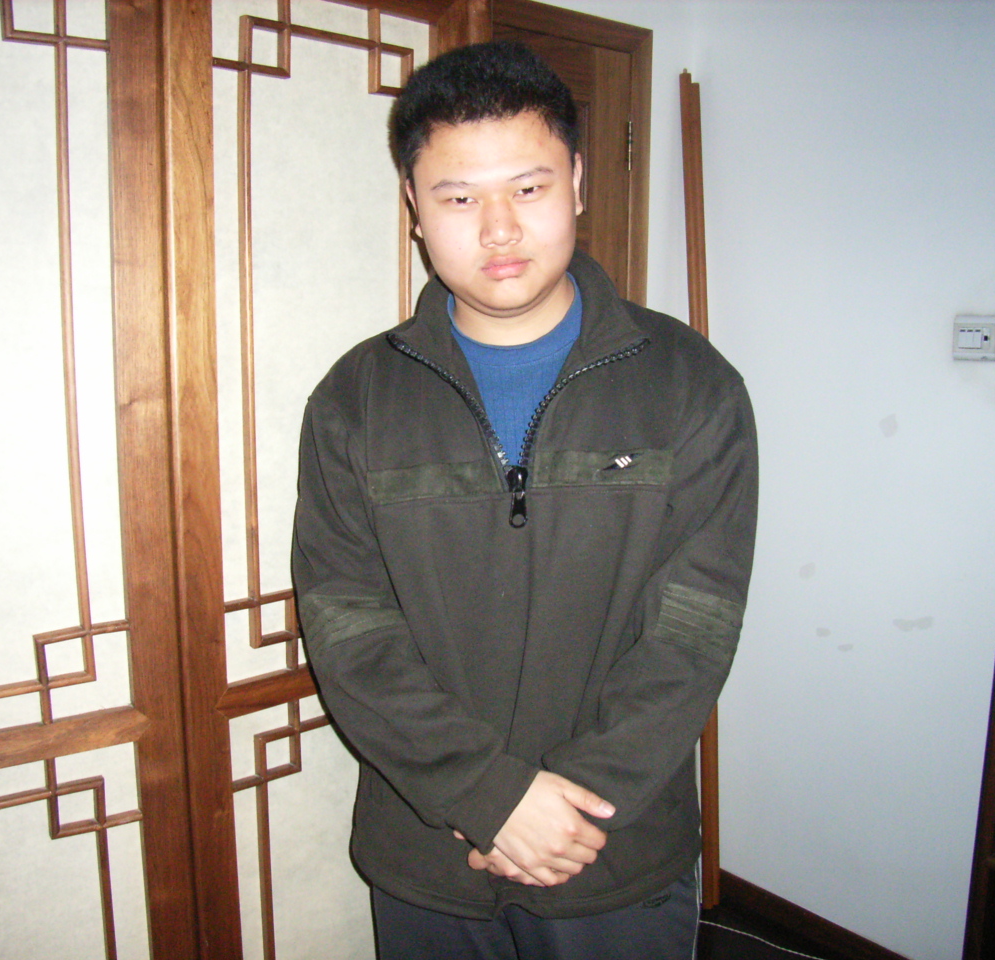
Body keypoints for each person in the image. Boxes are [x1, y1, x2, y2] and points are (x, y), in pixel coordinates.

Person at [291, 39, 757, 960]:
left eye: (529, 188)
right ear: (415, 209)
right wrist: (488, 797)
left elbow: (694, 625)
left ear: (579, 182)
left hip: (610, 849)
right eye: (459, 197)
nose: (498, 229)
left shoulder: (691, 386)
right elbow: (346, 626)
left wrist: (567, 808)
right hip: (426, 852)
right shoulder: (356, 398)